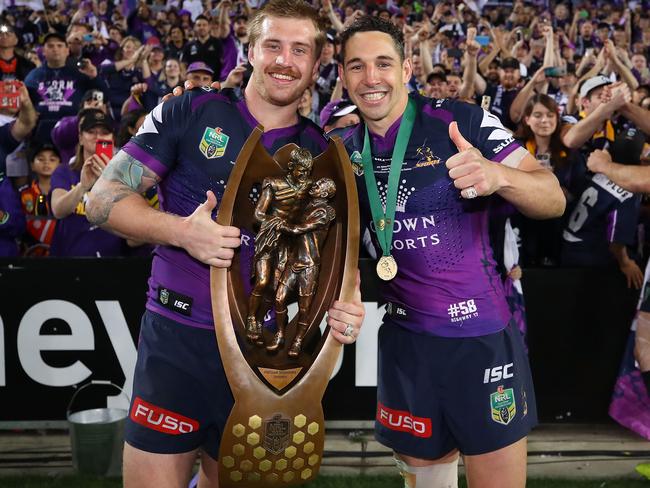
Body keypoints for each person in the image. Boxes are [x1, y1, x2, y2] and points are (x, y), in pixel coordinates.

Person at [85, 1, 365, 487]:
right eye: (273, 45)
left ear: (317, 66)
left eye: (300, 50)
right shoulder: (190, 109)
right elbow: (102, 198)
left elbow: (342, 257)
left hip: (265, 357)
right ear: (250, 50)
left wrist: (351, 302)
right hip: (177, 343)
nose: (284, 59)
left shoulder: (325, 154)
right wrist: (182, 232)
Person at [332, 16, 564, 488]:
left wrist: (499, 177)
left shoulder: (464, 121)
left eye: (383, 63)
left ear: (407, 68)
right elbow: (344, 243)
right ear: (341, 76)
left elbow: (552, 196)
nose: (370, 78)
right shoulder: (339, 151)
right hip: (403, 344)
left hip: (479, 341)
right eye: (356, 66)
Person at [50, 109, 125, 257]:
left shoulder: (124, 174)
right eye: (91, 131)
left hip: (114, 260)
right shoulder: (64, 171)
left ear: (112, 138)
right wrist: (82, 186)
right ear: (80, 138)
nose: (97, 137)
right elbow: (58, 210)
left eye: (104, 132)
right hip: (70, 259)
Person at [19, 142, 60, 256]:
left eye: (52, 159)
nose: (46, 162)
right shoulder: (24, 194)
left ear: (60, 164)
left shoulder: (66, 193)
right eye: (41, 159)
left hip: (61, 254)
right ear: (32, 165)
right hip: (30, 255)